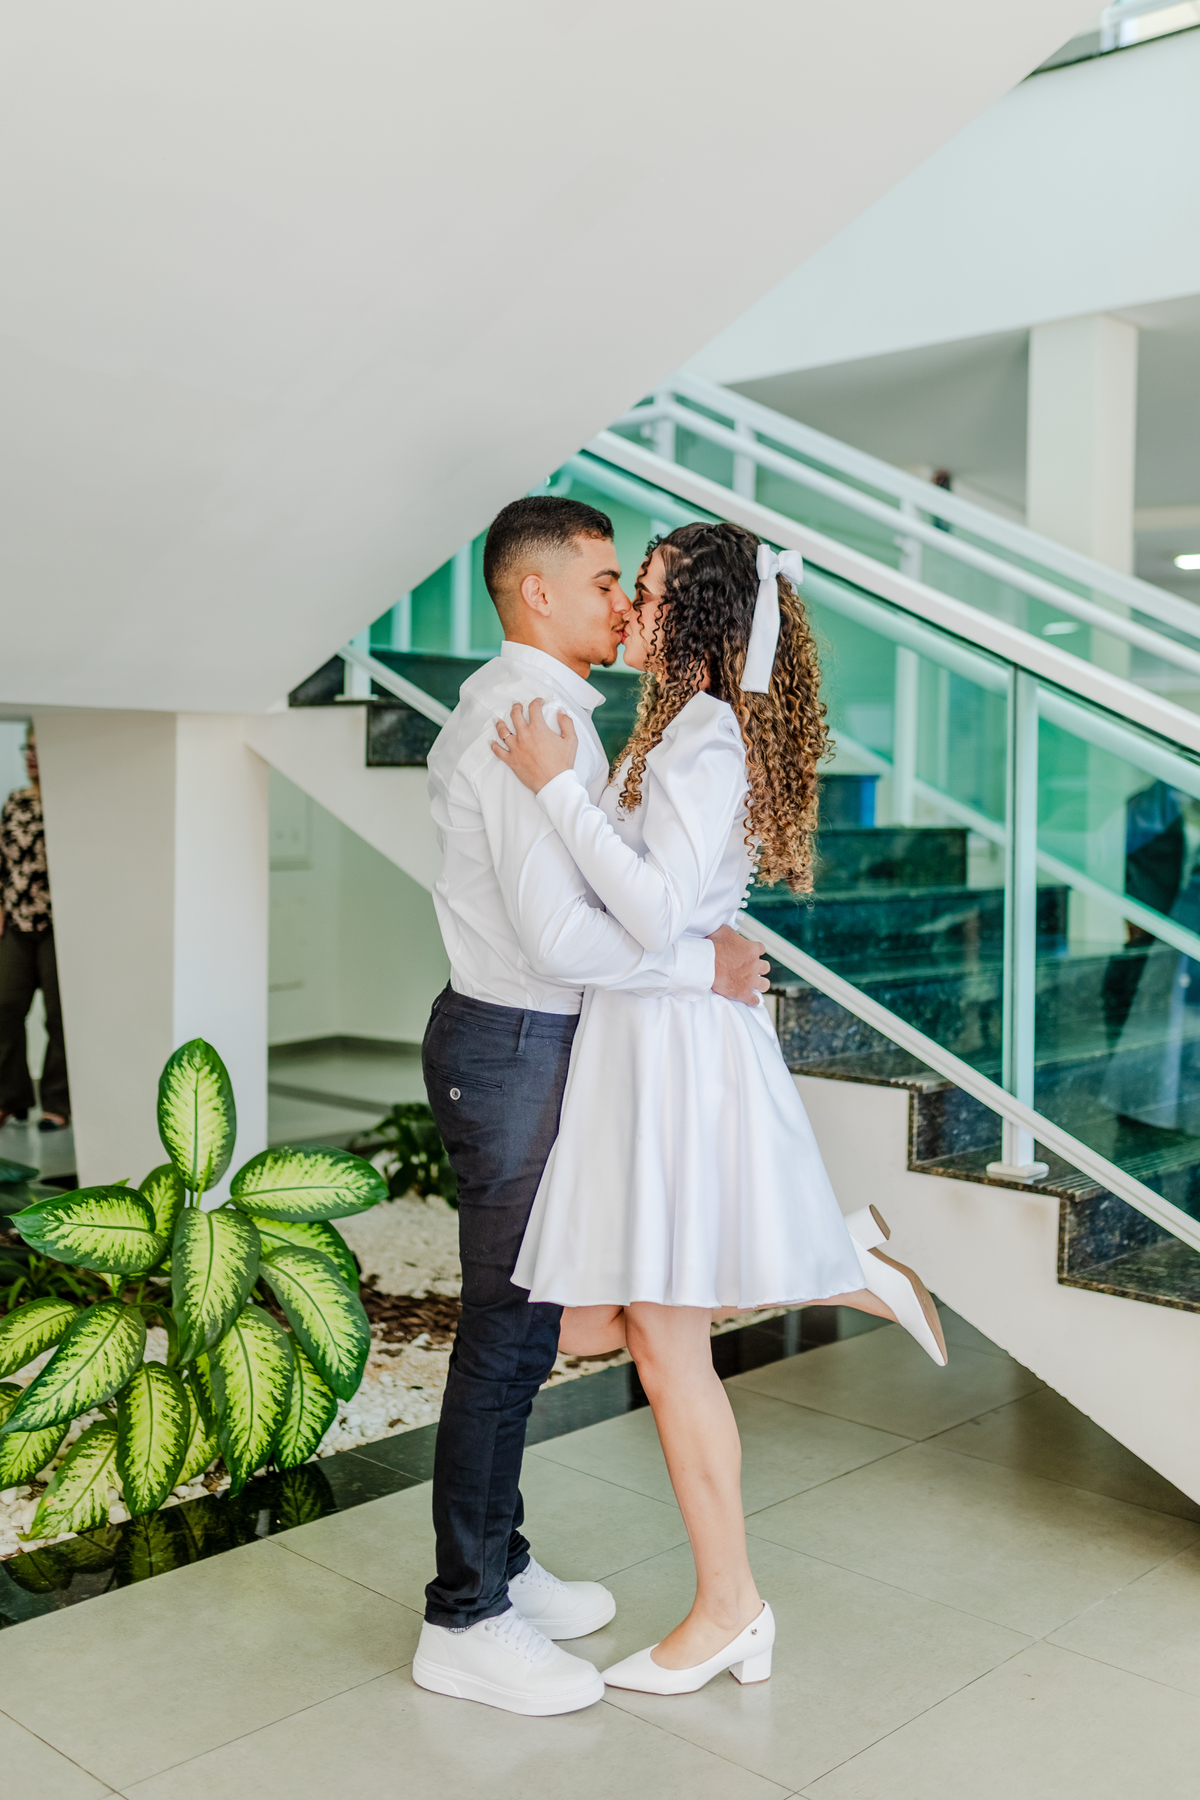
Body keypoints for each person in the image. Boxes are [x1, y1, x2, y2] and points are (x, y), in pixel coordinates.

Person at [493, 521, 947, 1698]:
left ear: (694, 616)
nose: (628, 610)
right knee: (597, 1323)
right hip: (655, 1044)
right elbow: (671, 909)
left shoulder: (701, 736)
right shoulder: (682, 729)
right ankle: (837, 1262)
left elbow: (649, 912)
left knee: (656, 1335)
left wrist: (555, 790)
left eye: (644, 592)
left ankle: (729, 1608)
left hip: (677, 1058)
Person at [411, 497, 770, 1718]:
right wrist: (699, 964)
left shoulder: (556, 710)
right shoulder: (535, 719)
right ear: (539, 594)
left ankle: (501, 1562)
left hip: (532, 1041)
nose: (625, 603)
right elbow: (561, 937)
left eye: (635, 585)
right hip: (514, 1043)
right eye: (609, 580)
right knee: (510, 1332)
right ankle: (465, 1618)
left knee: (535, 1320)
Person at [0, 727, 70, 1133]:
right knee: (4, 1008)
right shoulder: (15, 802)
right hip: (16, 921)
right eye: (27, 748)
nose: (30, 756)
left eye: (38, 748)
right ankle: (10, 1098)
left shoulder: (68, 801)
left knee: (60, 1018)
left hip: (58, 926)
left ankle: (57, 1104)